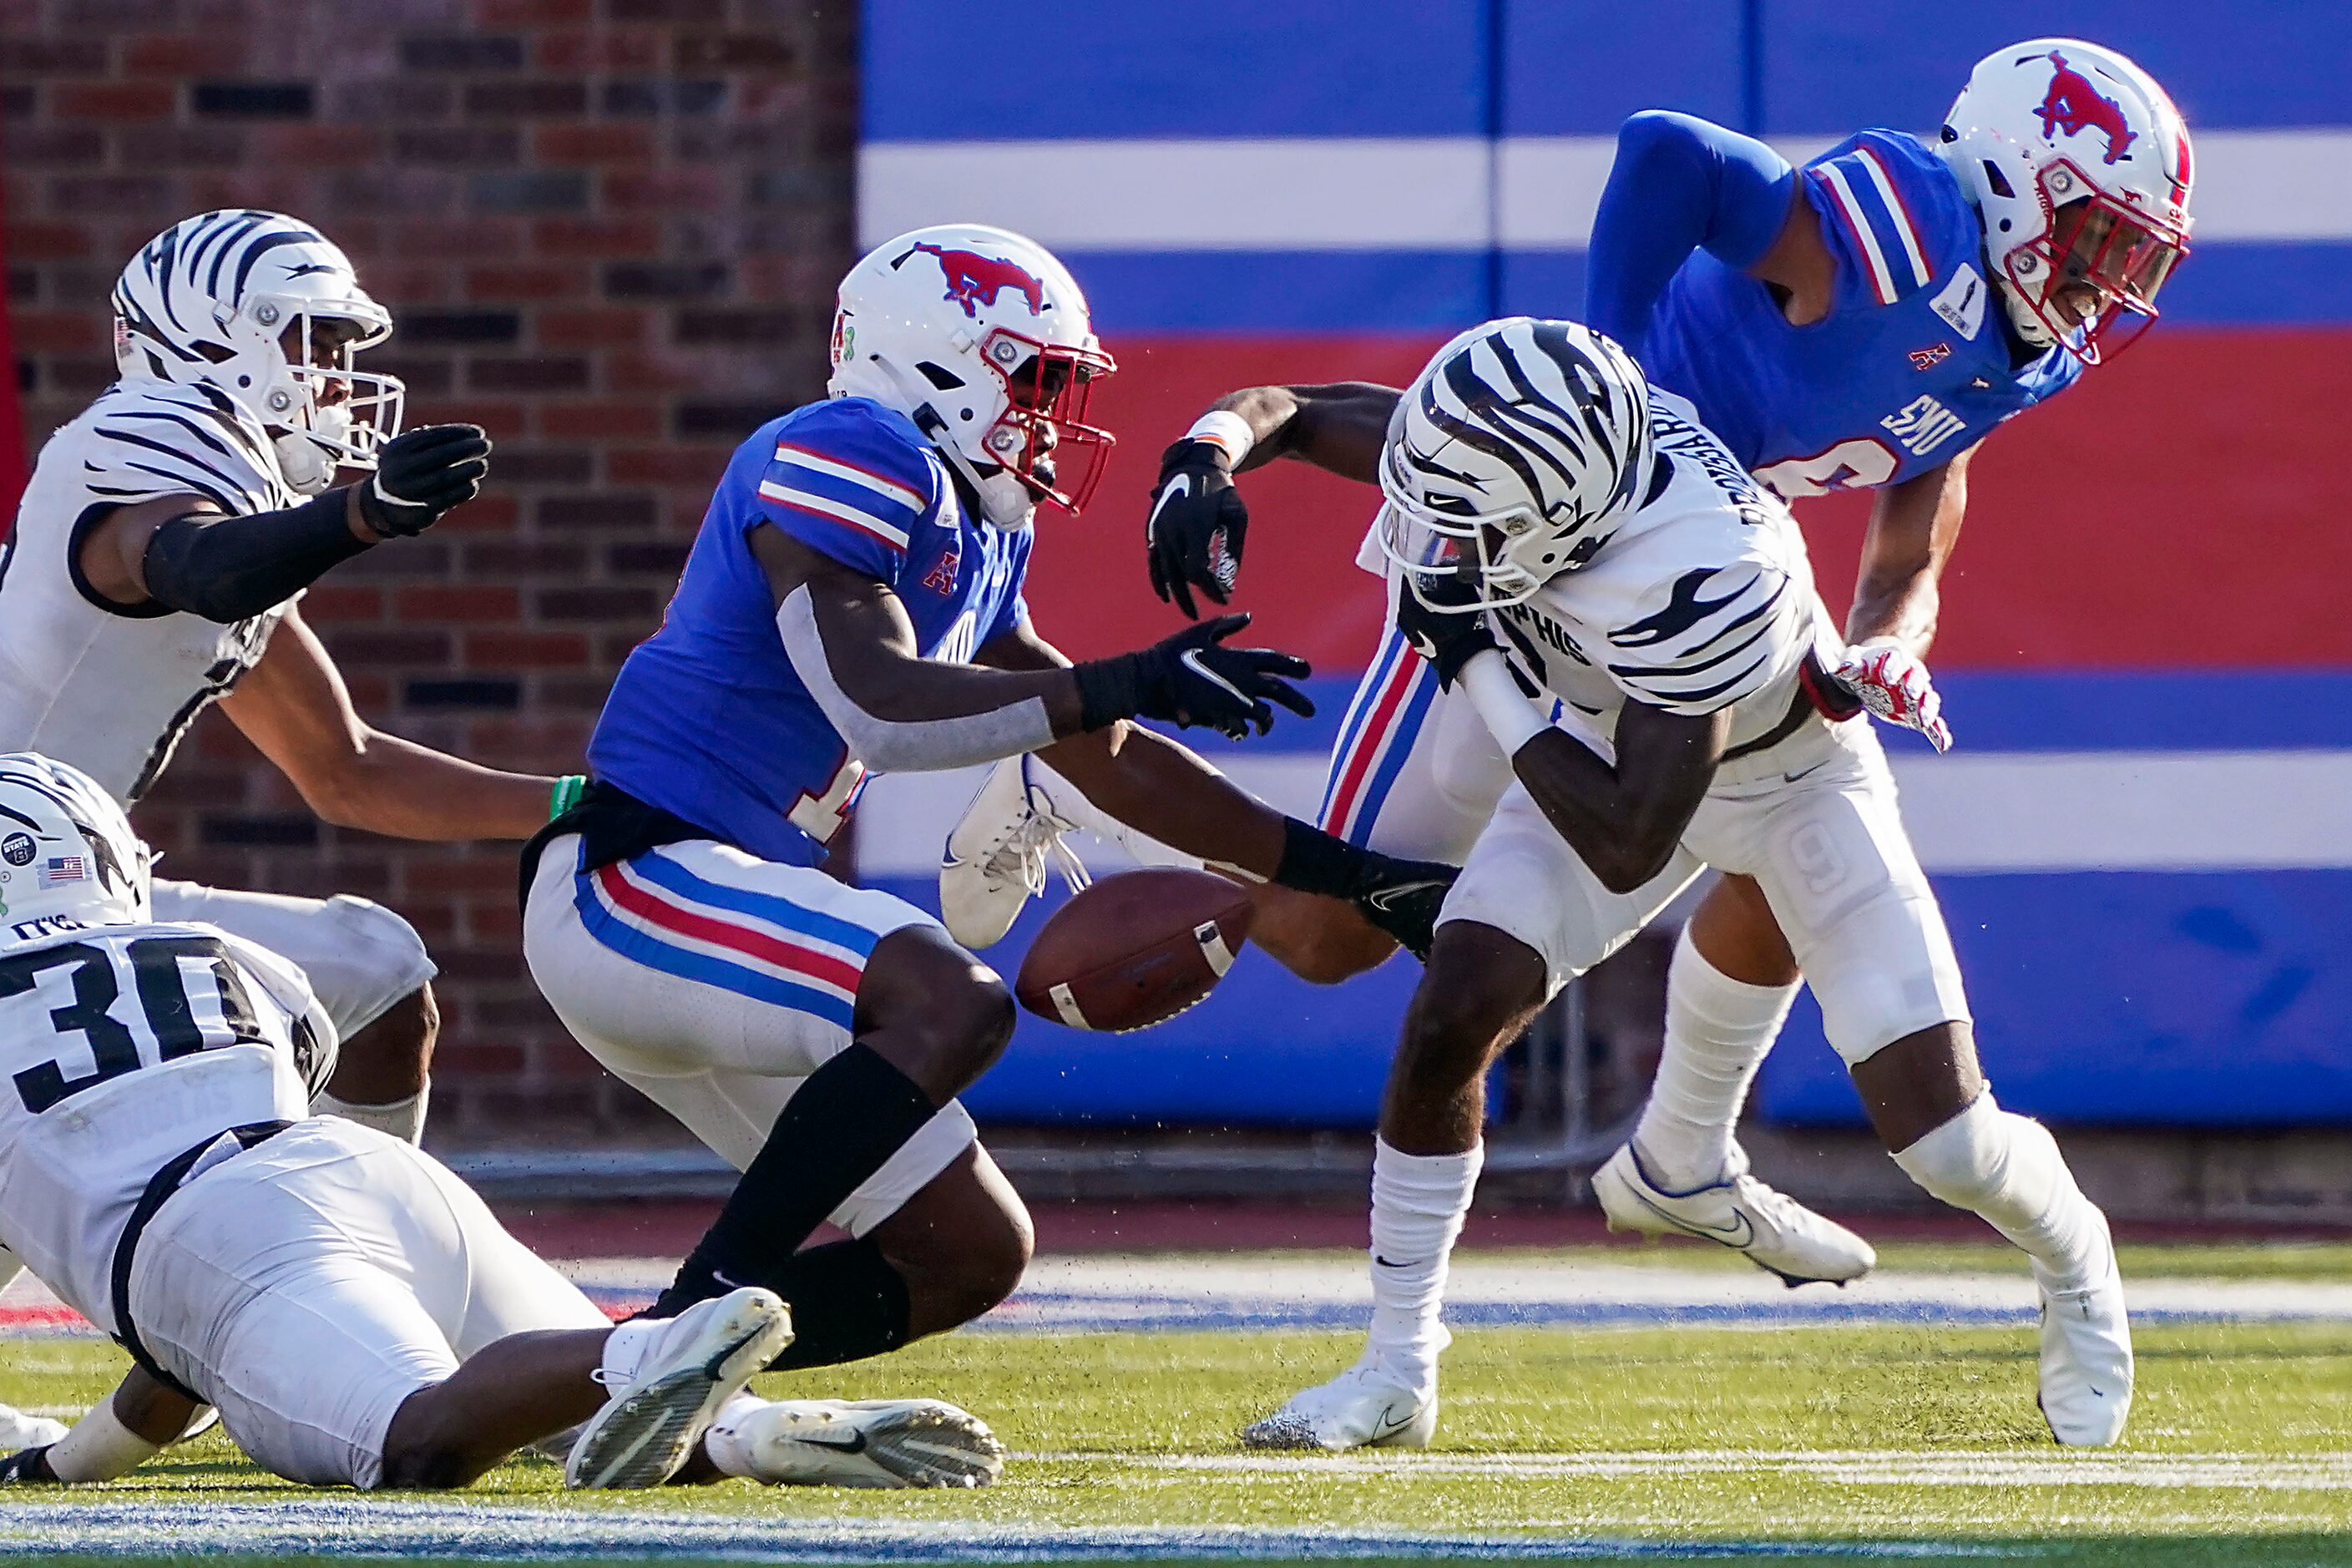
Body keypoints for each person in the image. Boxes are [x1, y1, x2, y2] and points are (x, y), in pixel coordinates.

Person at [959, 37, 2192, 1283]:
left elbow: (1913, 547)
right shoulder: (1907, 228)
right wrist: (1621, 382)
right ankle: (1078, 775)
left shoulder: (2011, 350)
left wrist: (1881, 648)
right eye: (2096, 241)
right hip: (1525, 562)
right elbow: (1668, 151)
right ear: (2010, 182)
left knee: (1798, 806)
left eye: (2129, 257)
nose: (2106, 284)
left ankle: (1685, 1153)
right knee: (1333, 938)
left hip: (1669, 593)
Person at [520, 224, 1450, 1427]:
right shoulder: (846, 445)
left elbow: (1101, 755)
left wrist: (1350, 875)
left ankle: (591, 1382)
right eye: (1036, 380)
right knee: (949, 997)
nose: (1053, 420)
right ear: (936, 362)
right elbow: (881, 704)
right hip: (636, 879)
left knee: (965, 1251)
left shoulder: (980, 529)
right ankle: (694, 1327)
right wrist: (1117, 679)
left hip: (718, 917)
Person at [1211, 319, 2129, 1452]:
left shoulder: (1705, 571)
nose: (1444, 537)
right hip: (1600, 743)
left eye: (1478, 524)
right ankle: (1396, 1368)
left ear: (1565, 517)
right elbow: (1290, 407)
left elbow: (1627, 843)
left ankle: (2072, 1252)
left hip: (1775, 779)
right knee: (1459, 1001)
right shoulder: (1512, 435)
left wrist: (1483, 669)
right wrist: (1201, 456)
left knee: (1942, 1139)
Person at [0, 207, 552, 1451]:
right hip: (18, 883)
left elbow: (345, 768)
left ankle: (343, 1257)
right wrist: (357, 519)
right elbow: (187, 561)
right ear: (214, 342)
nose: (335, 373)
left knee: (378, 966)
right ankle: (258, 1305)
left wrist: (575, 806)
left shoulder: (247, 518)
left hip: (64, 889)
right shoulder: (135, 453)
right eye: (305, 337)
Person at [0, 752, 812, 1494]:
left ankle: (644, 1350)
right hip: (372, 1174)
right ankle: (764, 1434)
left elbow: (185, 1324)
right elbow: (173, 1364)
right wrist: (56, 1463)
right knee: (589, 1418)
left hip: (215, 1239)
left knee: (414, 1443)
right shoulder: (220, 948)